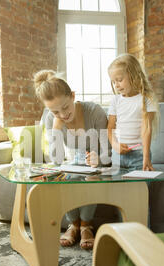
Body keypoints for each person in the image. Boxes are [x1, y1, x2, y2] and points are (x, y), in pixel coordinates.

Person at [33, 70, 111, 250]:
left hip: (98, 165)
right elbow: (57, 160)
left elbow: (109, 152)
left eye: (66, 107)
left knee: (92, 178)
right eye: (55, 111)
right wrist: (55, 129)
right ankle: (74, 224)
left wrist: (98, 158)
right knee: (61, 178)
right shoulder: (51, 119)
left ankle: (85, 226)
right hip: (76, 164)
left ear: (73, 96)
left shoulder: (94, 112)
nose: (63, 115)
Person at [107, 53, 160, 171]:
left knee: (139, 189)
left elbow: (146, 129)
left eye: (119, 80)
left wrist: (146, 157)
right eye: (113, 82)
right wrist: (115, 145)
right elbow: (110, 128)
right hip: (118, 155)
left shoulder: (146, 99)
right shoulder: (116, 101)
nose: (116, 85)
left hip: (138, 156)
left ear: (134, 76)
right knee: (117, 189)